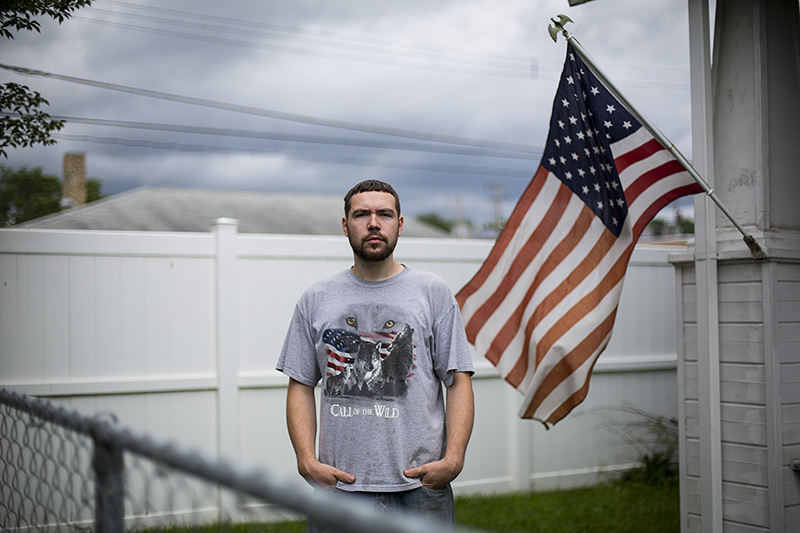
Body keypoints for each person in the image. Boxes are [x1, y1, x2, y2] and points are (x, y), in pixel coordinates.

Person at [276, 179, 474, 531]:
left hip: (419, 487)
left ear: (400, 223)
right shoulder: (316, 298)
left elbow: (458, 379)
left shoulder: (433, 293)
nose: (373, 223)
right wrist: (306, 460)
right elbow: (300, 383)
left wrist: (454, 458)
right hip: (337, 487)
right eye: (361, 214)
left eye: (384, 214)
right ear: (345, 225)